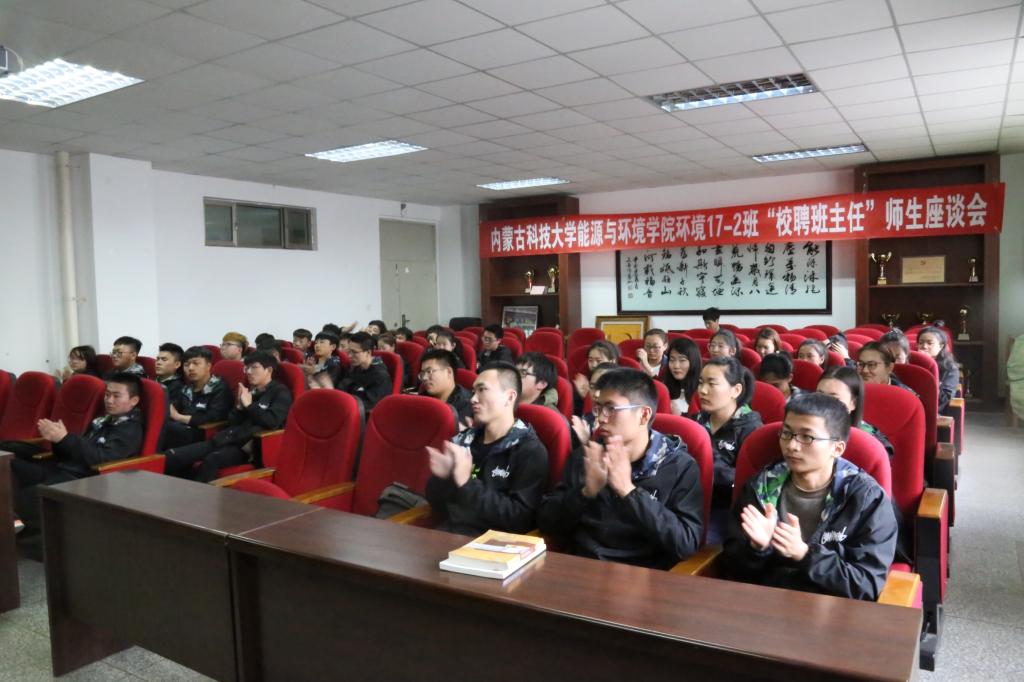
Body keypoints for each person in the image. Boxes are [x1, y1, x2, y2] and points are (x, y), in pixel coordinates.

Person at [722, 393, 898, 601]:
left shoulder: (865, 499)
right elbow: (731, 570)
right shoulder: (760, 488)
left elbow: (866, 585)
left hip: (834, 612)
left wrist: (805, 555)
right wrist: (756, 550)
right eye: (787, 433)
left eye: (807, 437)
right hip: (766, 606)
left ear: (837, 448)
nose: (792, 445)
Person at [538, 368, 704, 569]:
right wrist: (585, 493)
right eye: (598, 408)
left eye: (611, 409)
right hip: (582, 568)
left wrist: (629, 491)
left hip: (642, 575)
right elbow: (547, 522)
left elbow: (685, 543)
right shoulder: (588, 456)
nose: (601, 419)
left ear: (643, 415)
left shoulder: (679, 467)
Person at [425, 363, 548, 536]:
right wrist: (444, 478)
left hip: (492, 545)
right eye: (473, 391)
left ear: (509, 397)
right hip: (449, 534)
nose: (473, 399)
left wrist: (467, 483)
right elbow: (438, 506)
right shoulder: (464, 440)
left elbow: (520, 520)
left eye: (482, 390)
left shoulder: (529, 451)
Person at [12, 373, 145, 533]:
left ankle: (15, 528)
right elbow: (75, 452)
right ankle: (14, 520)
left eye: (116, 396)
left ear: (134, 400)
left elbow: (103, 460)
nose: (109, 400)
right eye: (107, 394)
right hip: (64, 468)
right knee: (9, 466)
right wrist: (58, 440)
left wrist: (66, 438)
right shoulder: (102, 420)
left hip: (84, 479)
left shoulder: (130, 429)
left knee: (25, 497)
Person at [164, 351, 291, 482]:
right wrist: (239, 408)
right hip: (225, 438)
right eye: (246, 368)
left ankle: (195, 493)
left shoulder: (280, 393)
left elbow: (272, 421)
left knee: (211, 459)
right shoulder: (249, 391)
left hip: (247, 448)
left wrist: (249, 406)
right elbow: (232, 421)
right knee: (172, 456)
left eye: (254, 367)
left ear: (268, 370)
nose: (248, 372)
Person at [694, 357, 762, 539]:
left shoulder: (751, 429)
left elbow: (747, 482)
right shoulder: (696, 421)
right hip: (689, 500)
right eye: (700, 382)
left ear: (736, 390)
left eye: (712, 384)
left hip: (726, 509)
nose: (702, 390)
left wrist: (707, 459)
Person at [817, 366, 894, 461]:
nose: (823, 403)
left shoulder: (870, 446)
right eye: (819, 395)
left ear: (853, 403)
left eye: (834, 398)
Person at [164, 346, 233, 449]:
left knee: (166, 429)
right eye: (186, 364)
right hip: (182, 429)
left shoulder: (219, 388)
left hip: (204, 434)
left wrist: (179, 417)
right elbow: (174, 408)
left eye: (196, 363)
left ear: (208, 366)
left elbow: (214, 418)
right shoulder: (186, 389)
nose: (190, 368)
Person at [338, 331, 392, 411]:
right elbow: (345, 385)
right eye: (349, 351)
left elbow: (369, 404)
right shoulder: (357, 367)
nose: (349, 356)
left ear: (368, 352)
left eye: (354, 352)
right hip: (350, 407)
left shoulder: (381, 376)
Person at [419, 348, 473, 425]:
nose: (424, 378)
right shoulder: (423, 398)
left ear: (449, 372)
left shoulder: (467, 404)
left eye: (429, 372)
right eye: (422, 373)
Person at [916, 326, 960, 413]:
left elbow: (944, 399)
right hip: (911, 405)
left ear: (941, 346)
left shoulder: (950, 369)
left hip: (932, 411)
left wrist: (927, 371)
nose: (924, 346)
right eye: (920, 343)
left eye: (930, 343)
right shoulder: (911, 363)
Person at [571, 340, 619, 405]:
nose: (593, 365)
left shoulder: (618, 383)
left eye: (598, 361)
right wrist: (582, 397)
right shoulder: (586, 381)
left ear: (612, 361)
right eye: (590, 360)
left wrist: (587, 397)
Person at [663, 337, 701, 416]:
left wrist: (681, 415)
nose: (676, 366)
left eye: (682, 360)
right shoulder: (664, 388)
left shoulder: (702, 391)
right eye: (672, 360)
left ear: (693, 361)